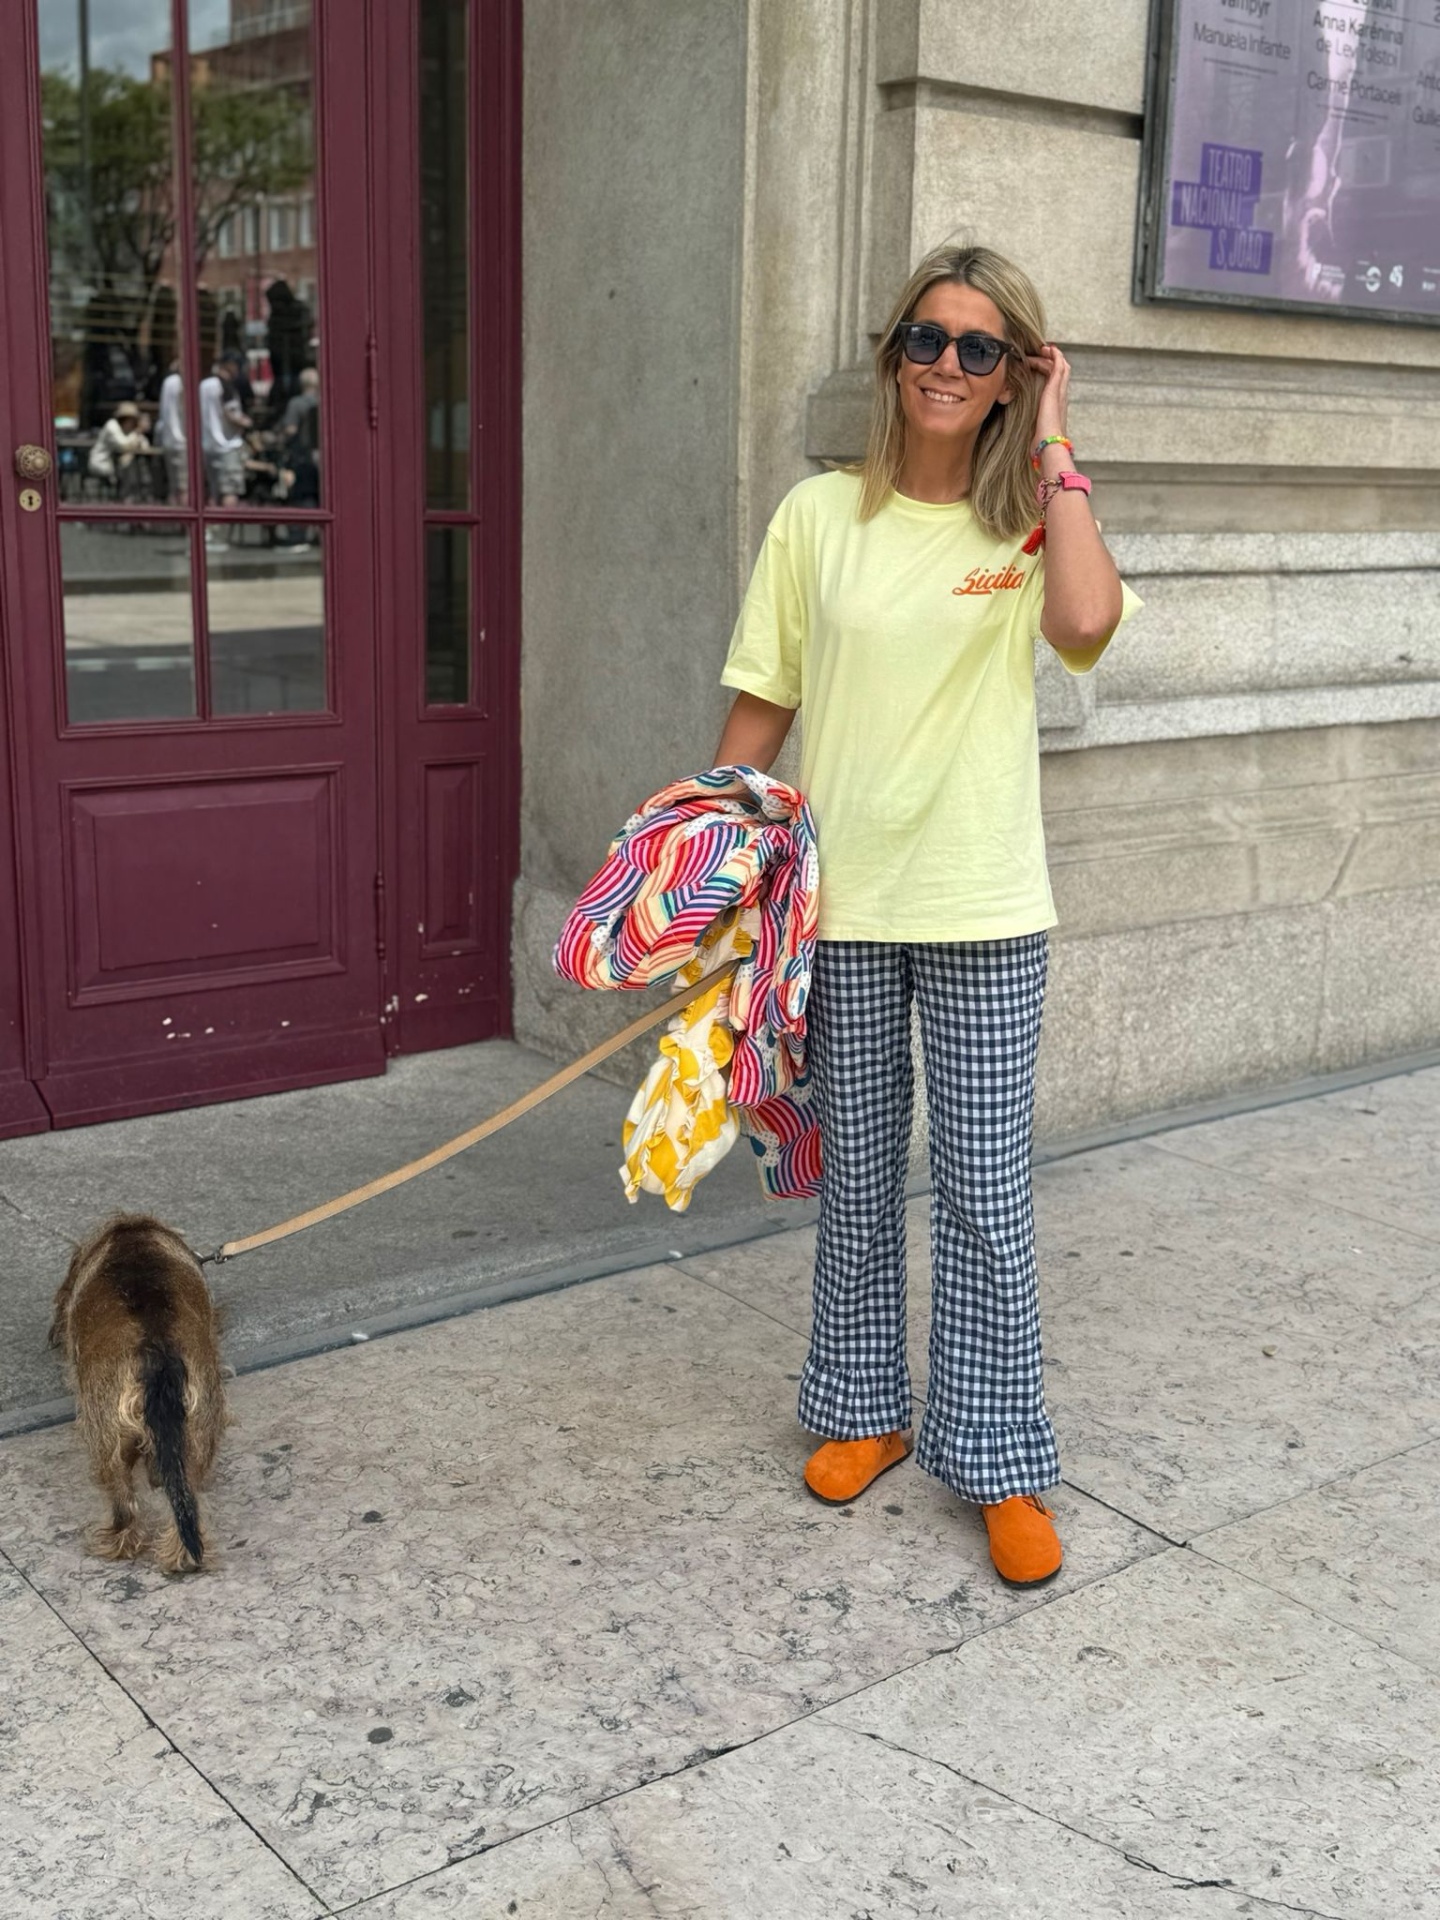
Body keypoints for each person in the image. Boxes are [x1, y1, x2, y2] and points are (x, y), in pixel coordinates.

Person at [714, 242, 1140, 1589]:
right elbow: (763, 703)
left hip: (983, 902)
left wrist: (1057, 441)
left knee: (985, 1194)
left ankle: (999, 1456)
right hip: (839, 904)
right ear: (892, 353)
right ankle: (863, 1409)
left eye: (981, 348)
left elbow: (1088, 626)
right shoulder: (816, 518)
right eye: (927, 338)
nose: (947, 365)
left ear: (1015, 371)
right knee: (853, 1178)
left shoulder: (1030, 526)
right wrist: (712, 871)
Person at [199, 357, 249, 533]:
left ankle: (211, 530)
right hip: (228, 445)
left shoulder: (203, 385)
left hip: (208, 444)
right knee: (229, 491)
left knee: (213, 491)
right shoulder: (225, 386)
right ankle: (225, 533)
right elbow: (231, 414)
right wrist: (247, 423)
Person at [86, 400, 151, 496]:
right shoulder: (111, 426)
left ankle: (131, 495)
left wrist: (138, 434)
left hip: (116, 465)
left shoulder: (130, 431)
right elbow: (123, 445)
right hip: (101, 463)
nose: (133, 423)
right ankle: (126, 495)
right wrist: (137, 432)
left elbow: (145, 446)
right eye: (131, 420)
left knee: (130, 463)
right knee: (127, 466)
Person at [157, 361, 187, 504]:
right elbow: (185, 408)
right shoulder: (181, 384)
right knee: (184, 488)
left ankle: (175, 515)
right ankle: (184, 518)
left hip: (168, 439)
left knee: (174, 488)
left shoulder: (168, 382)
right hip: (181, 440)